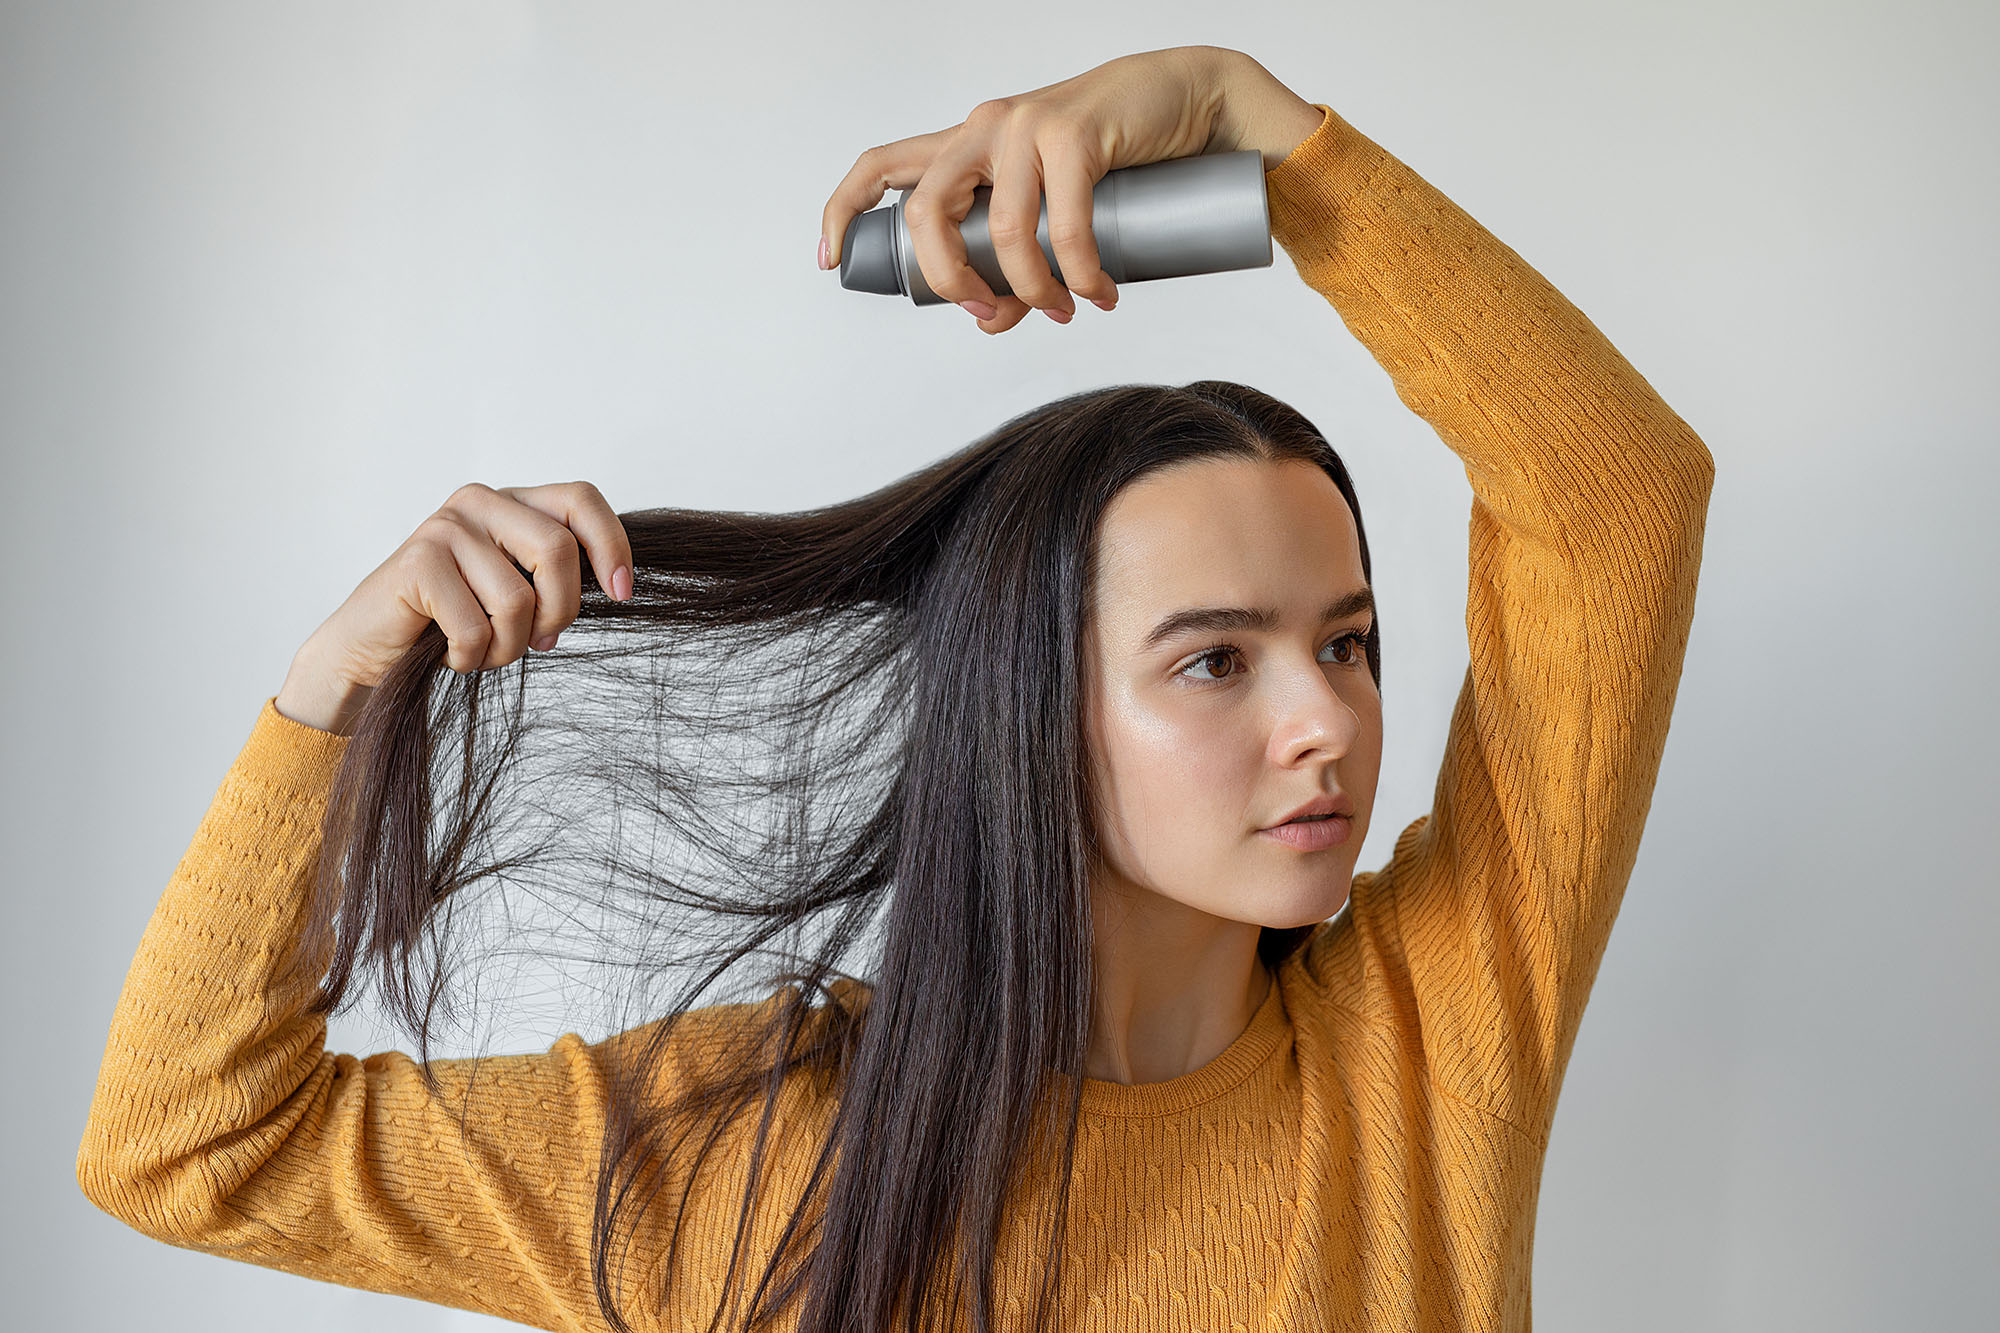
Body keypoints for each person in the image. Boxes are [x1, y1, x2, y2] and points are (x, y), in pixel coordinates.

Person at [77, 43, 1714, 1333]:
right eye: (1216, 658)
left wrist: (1257, 129)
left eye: (1346, 642)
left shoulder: (1427, 1041)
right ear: (1029, 712)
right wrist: (336, 691)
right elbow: (185, 1144)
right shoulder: (738, 1150)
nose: (1329, 722)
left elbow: (1620, 507)